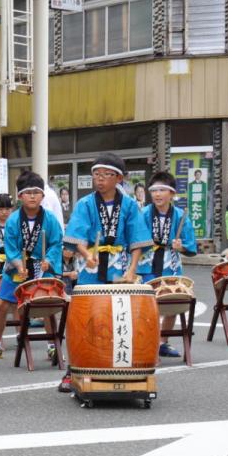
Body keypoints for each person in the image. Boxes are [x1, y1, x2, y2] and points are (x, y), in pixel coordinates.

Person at [62, 152, 153, 392]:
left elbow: (137, 240)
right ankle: (73, 370)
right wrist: (84, 253)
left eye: (106, 175)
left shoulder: (131, 206)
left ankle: (119, 366)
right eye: (96, 174)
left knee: (120, 317)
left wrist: (132, 271)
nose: (100, 179)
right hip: (91, 267)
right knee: (83, 318)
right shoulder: (85, 204)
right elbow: (76, 235)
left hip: (120, 266)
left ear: (119, 179)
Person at [0, 172, 62, 361]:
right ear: (20, 196)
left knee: (45, 306)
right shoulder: (14, 220)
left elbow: (56, 242)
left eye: (36, 192)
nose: (32, 196)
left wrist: (50, 258)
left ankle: (51, 345)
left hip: (40, 266)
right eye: (28, 192)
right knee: (1, 304)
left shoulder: (50, 219)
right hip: (16, 268)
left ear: (43, 196)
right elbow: (10, 246)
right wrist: (17, 264)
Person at [138, 172, 198, 358]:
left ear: (171, 194)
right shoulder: (144, 213)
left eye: (162, 190)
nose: (157, 194)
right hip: (147, 265)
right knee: (149, 306)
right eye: (154, 190)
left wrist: (181, 247)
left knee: (172, 304)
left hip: (170, 266)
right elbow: (135, 238)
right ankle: (148, 342)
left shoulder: (180, 216)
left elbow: (191, 246)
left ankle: (163, 342)